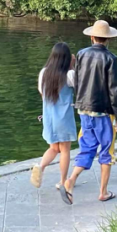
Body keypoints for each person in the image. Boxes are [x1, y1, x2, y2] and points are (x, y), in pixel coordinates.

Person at [61, 20, 117, 204]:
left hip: (83, 109)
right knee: (106, 151)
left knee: (87, 147)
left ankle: (70, 181)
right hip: (104, 112)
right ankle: (103, 192)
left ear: (92, 37)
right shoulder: (111, 58)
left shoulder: (81, 54)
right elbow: (114, 90)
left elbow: (78, 81)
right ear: (108, 39)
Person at [30, 43, 78, 191]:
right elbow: (81, 86)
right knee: (65, 150)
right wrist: (73, 65)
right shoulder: (69, 75)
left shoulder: (44, 73)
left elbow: (42, 93)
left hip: (48, 117)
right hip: (63, 118)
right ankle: (63, 182)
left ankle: (41, 166)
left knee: (54, 147)